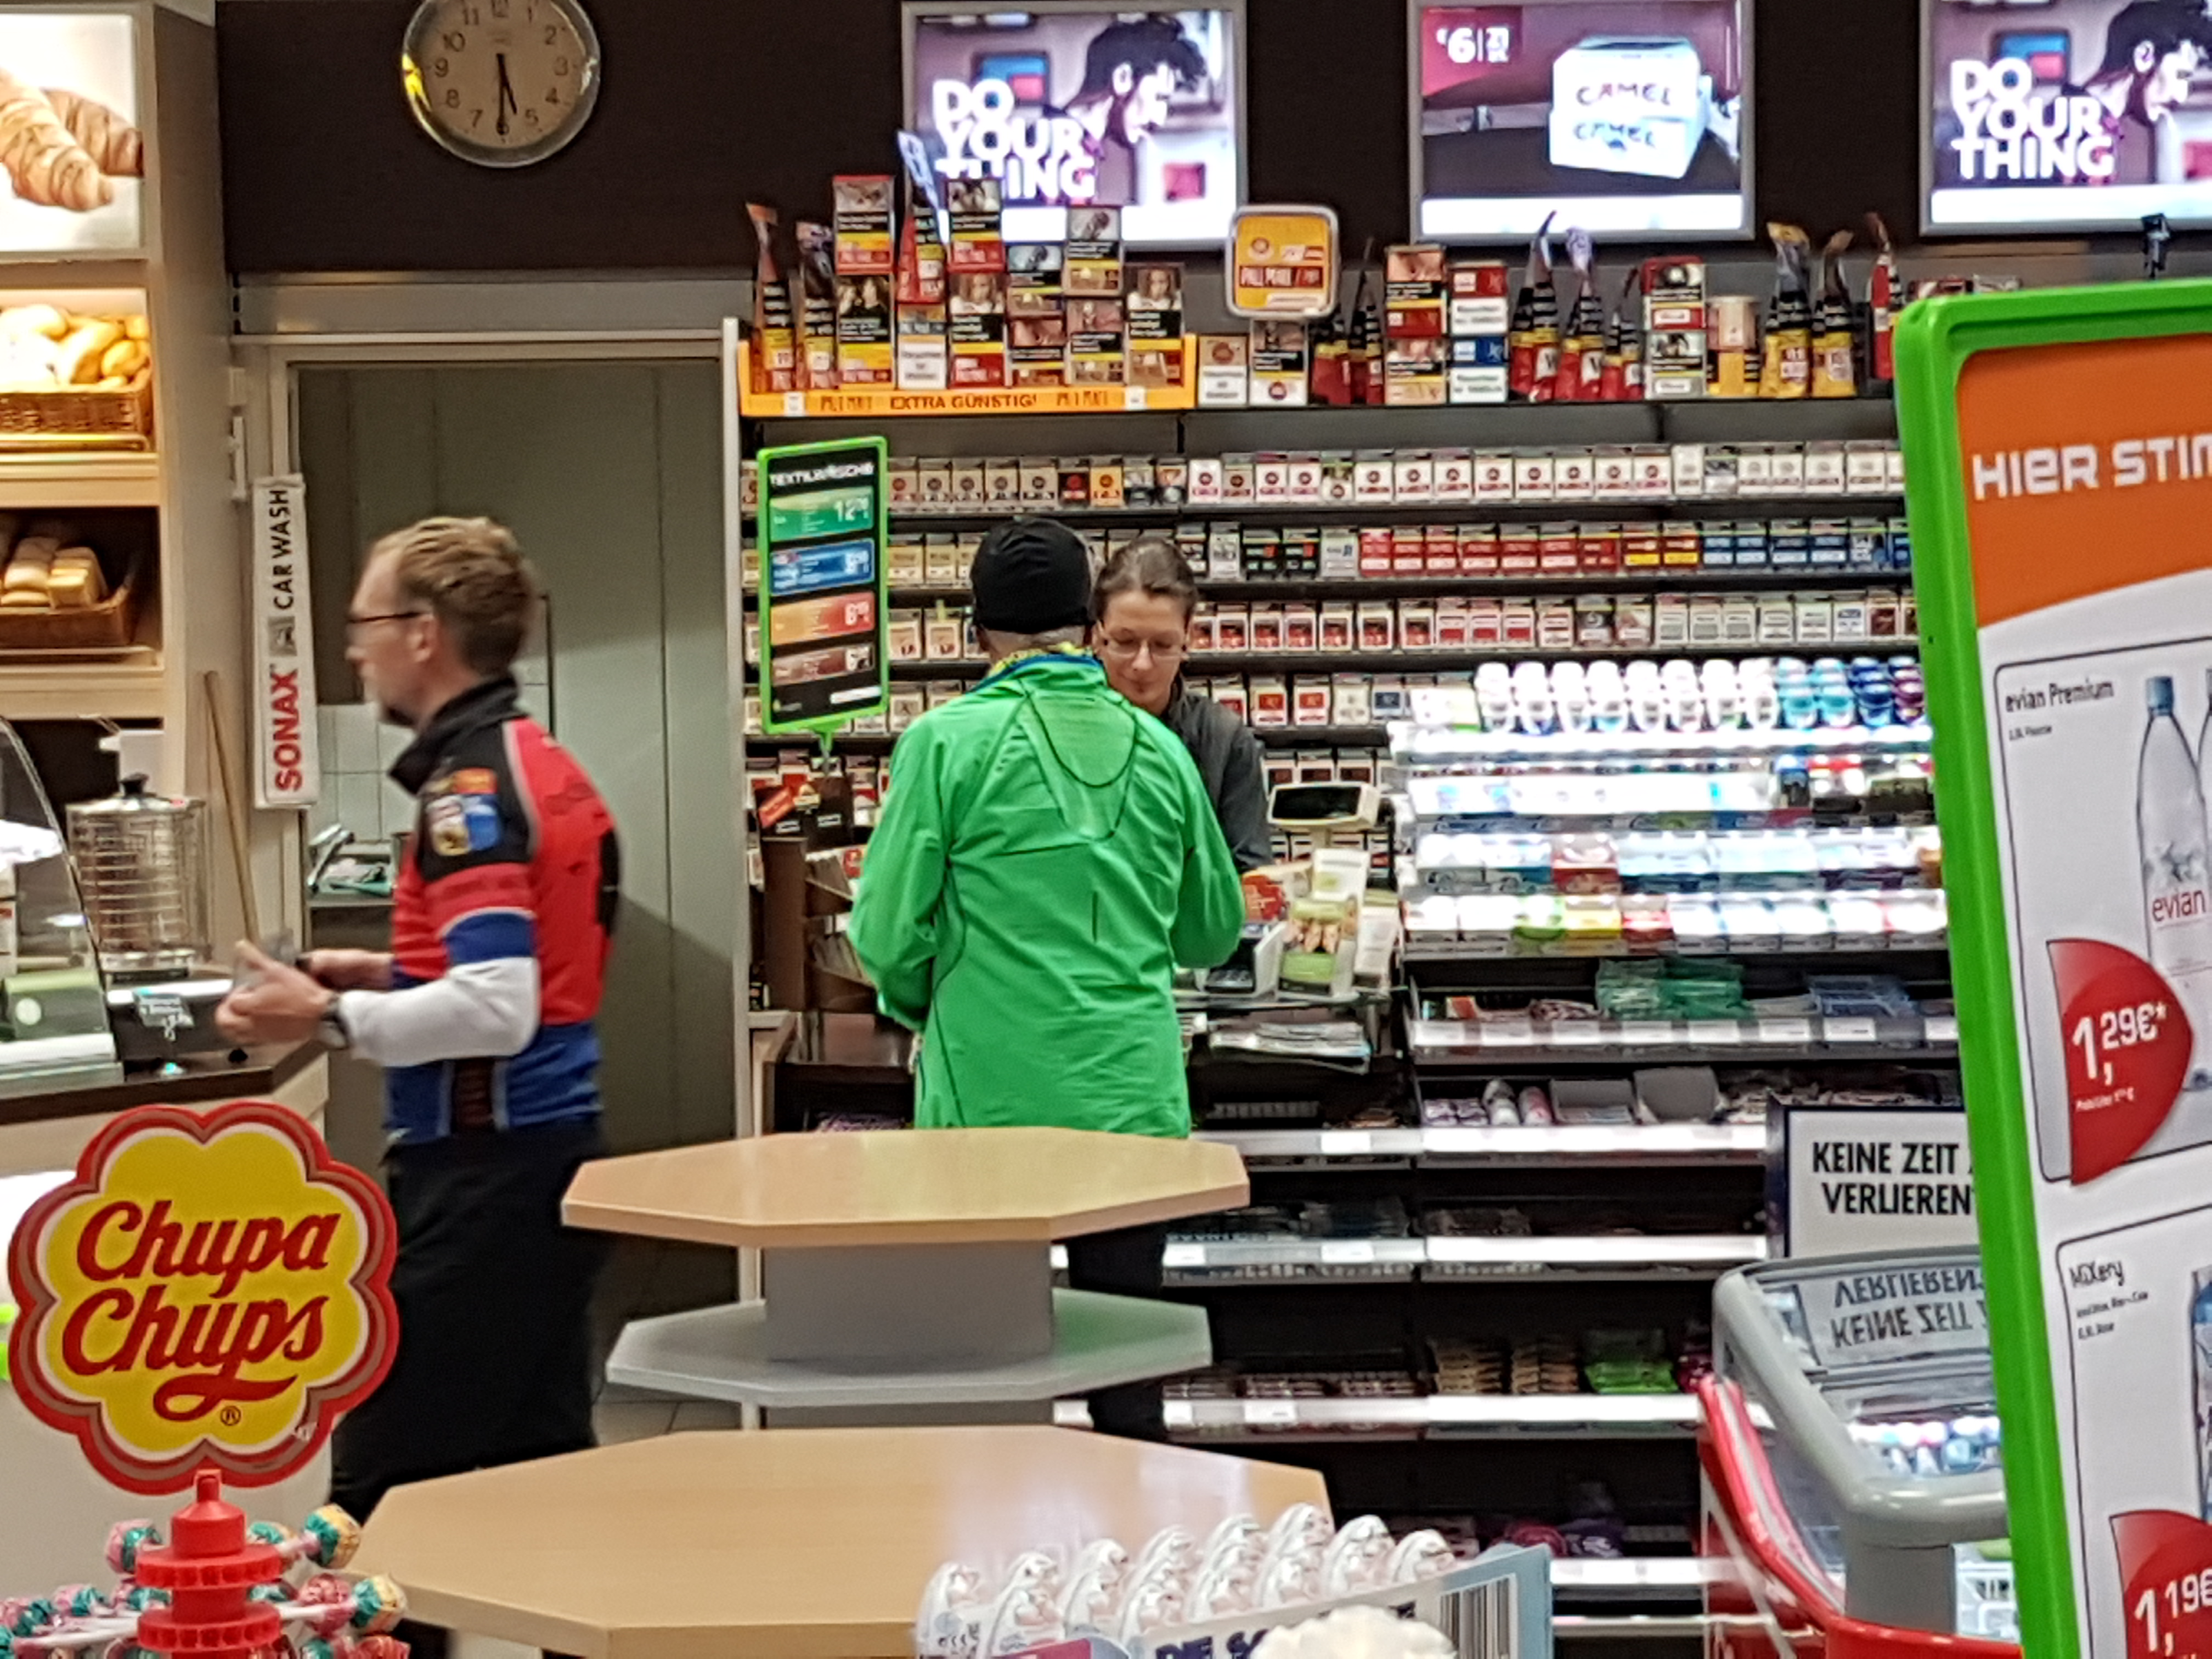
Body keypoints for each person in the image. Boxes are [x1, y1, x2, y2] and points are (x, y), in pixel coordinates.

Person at [216, 516, 619, 1541]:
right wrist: (378, 974)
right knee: (538, 1479)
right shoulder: (535, 758)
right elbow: (529, 981)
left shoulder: (466, 795)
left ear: (425, 633)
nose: (356, 650)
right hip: (545, 1164)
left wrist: (327, 1014)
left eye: (366, 624)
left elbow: (497, 1009)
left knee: (380, 1501)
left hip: (483, 1177)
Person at [849, 515, 1244, 1136]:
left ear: (978, 634)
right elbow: (1211, 934)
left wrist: (943, 1007)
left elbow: (885, 935)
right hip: (1134, 1103)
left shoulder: (943, 745)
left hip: (988, 1097)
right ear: (1090, 629)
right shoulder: (1161, 749)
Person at [1093, 537, 1271, 872]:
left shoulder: (1224, 739)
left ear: (1189, 637)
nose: (1142, 663)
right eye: (1125, 642)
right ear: (1096, 636)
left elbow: (1251, 871)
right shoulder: (1063, 732)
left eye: (1163, 644)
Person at [1058, 13, 1209, 204]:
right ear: (1122, 78)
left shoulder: (1080, 151)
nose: (1160, 119)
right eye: (1159, 97)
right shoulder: (1050, 154)